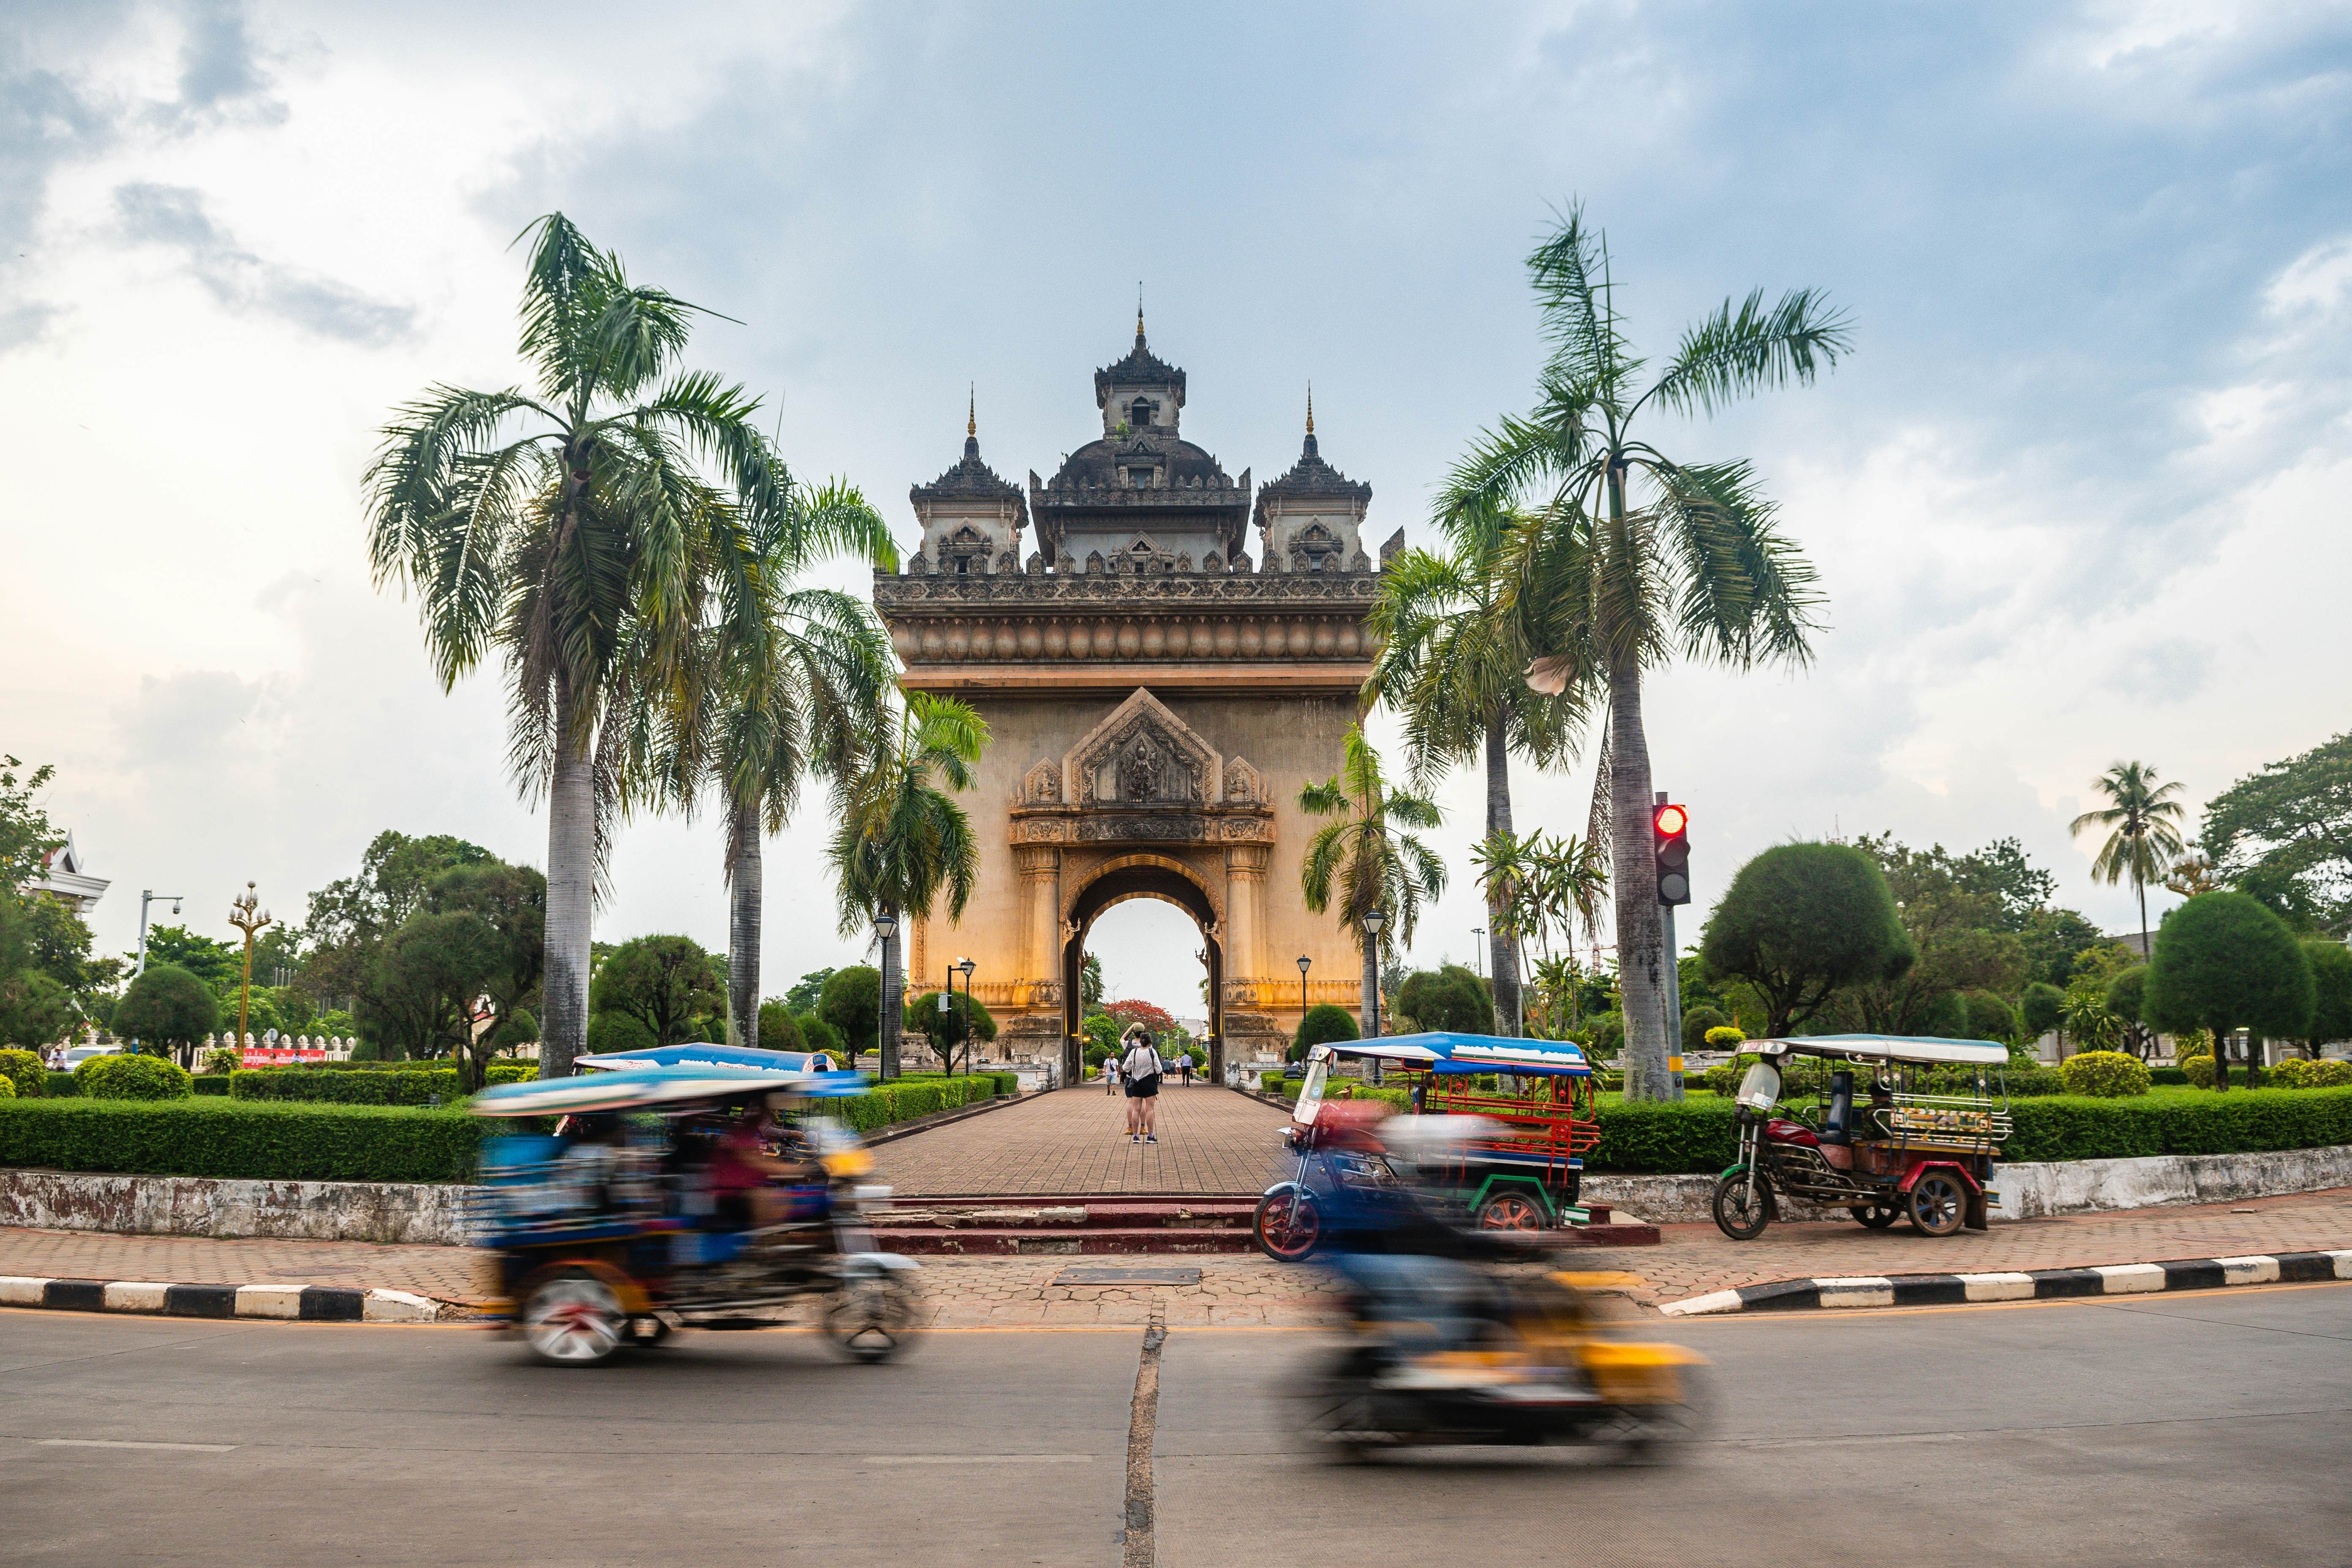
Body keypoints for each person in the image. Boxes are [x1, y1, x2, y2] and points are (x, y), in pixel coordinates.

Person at [1121, 1026, 1164, 1144]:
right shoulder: (1152, 1052)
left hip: (1136, 1082)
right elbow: (1159, 1070)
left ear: (1140, 1042)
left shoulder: (1134, 1052)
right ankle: (1150, 1136)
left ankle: (1135, 1136)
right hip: (1149, 1082)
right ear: (1150, 1042)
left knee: (1136, 1109)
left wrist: (1134, 1069)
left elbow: (1125, 1068)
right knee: (1150, 1109)